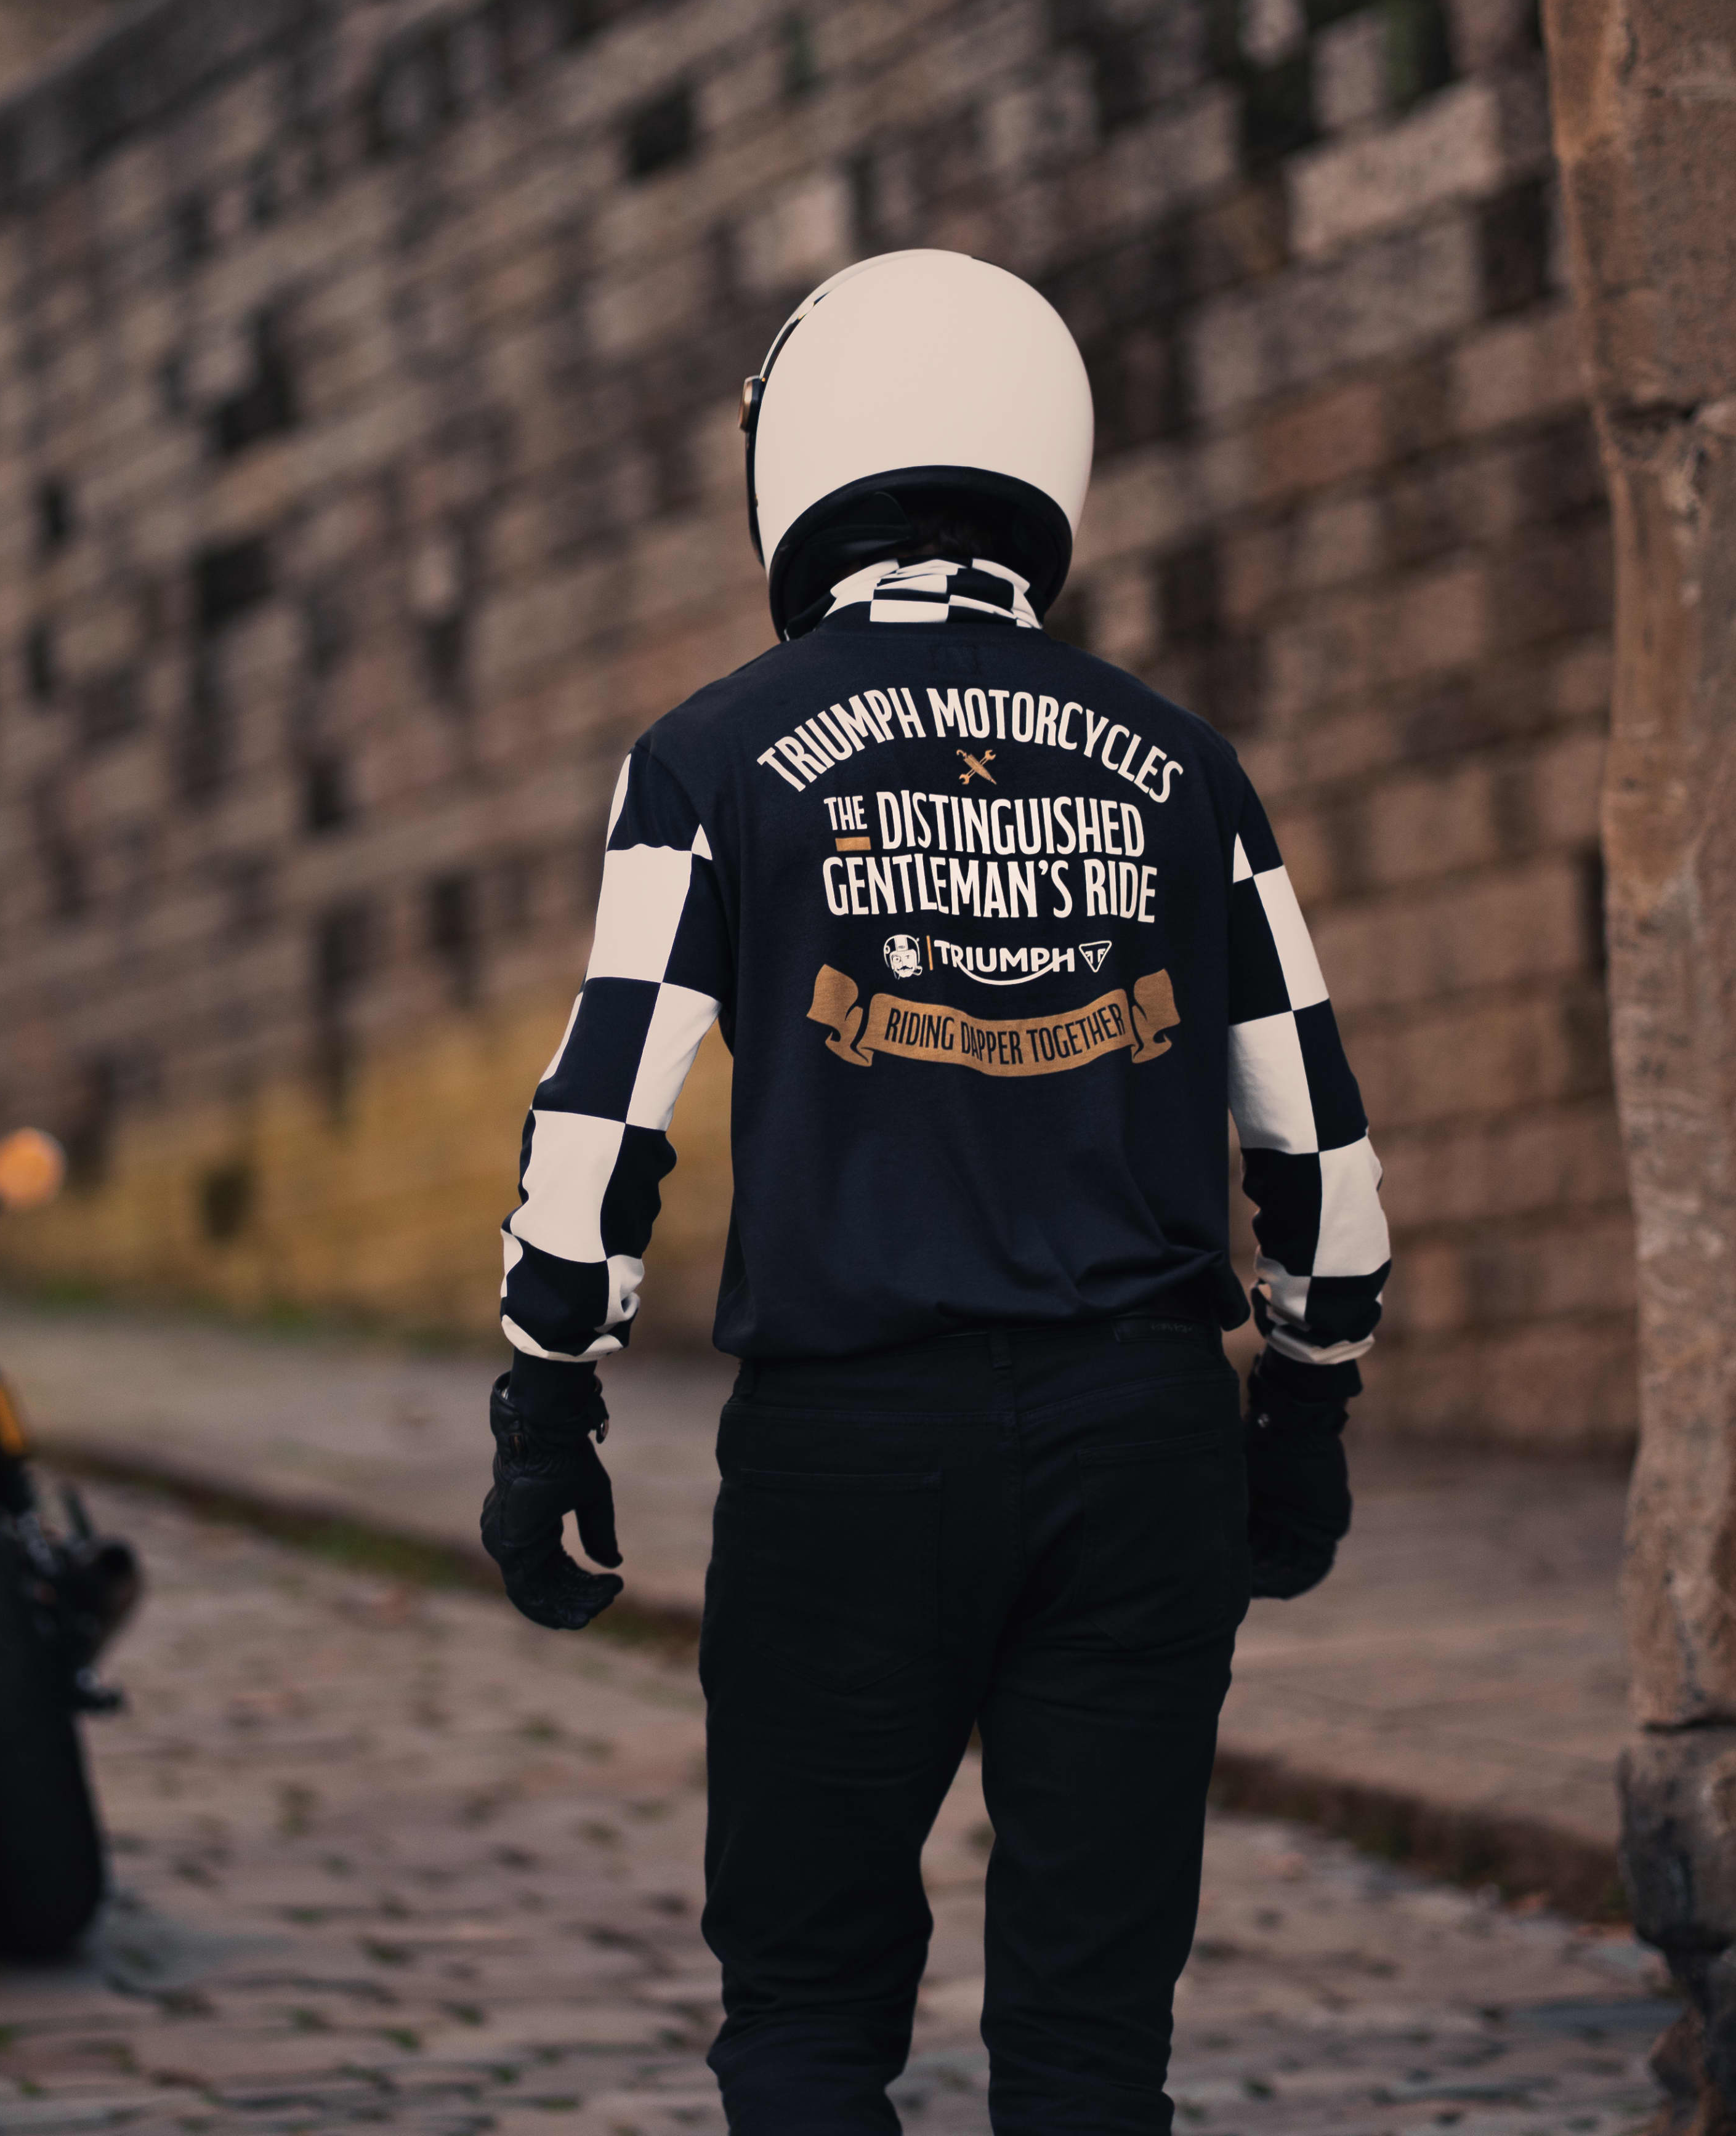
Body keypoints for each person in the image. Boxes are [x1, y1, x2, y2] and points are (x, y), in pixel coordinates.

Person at [478, 250, 1389, 2136]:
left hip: (852, 1447)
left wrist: (545, 1400)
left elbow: (604, 1120)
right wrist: (1304, 1412)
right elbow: (1318, 1140)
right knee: (1089, 2050)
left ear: (795, 467)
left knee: (808, 2021)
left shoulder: (713, 757)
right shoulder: (1187, 769)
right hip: (1144, 1441)